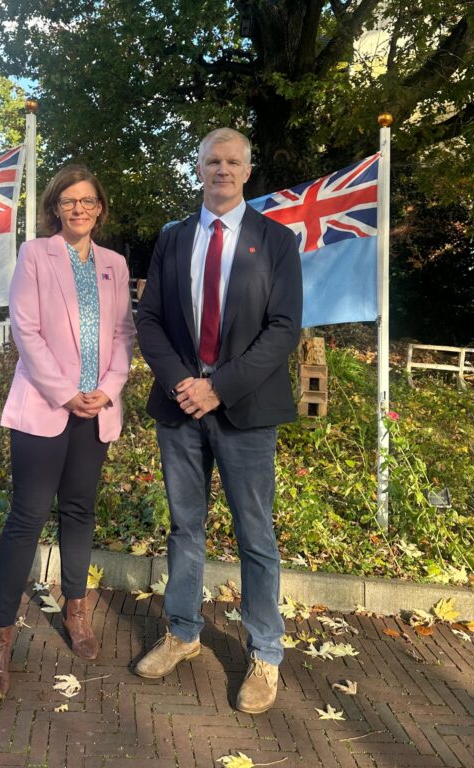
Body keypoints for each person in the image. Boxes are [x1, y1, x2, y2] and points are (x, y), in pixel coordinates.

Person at [134, 128, 302, 714]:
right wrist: (185, 382)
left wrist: (219, 387)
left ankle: (265, 653)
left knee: (256, 535)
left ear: (248, 170)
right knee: (185, 526)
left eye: (233, 161)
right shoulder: (174, 239)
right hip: (180, 406)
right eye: (212, 161)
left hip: (246, 410)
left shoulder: (277, 241)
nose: (222, 169)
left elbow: (283, 328)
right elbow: (149, 317)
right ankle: (182, 631)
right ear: (199, 168)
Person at [0, 165, 136, 700]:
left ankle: (76, 611)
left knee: (80, 511)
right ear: (55, 207)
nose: (78, 209)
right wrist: (66, 391)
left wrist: (107, 389)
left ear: (100, 207)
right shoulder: (35, 255)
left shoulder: (114, 264)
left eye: (88, 201)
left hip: (97, 410)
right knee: (26, 516)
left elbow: (123, 333)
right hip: (46, 406)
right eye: (69, 201)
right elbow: (25, 327)